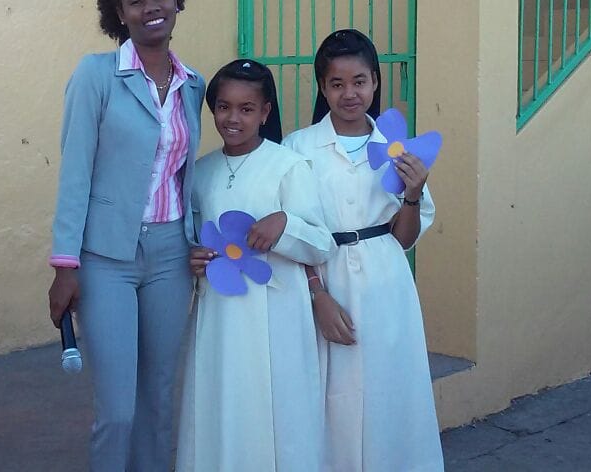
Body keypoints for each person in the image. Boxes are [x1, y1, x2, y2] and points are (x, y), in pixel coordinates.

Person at [46, 0, 205, 471]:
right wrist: (65, 264)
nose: (150, 8)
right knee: (117, 410)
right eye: (136, 1)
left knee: (158, 400)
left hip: (170, 255)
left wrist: (197, 237)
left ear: (177, 1)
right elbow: (76, 172)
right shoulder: (96, 75)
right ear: (119, 13)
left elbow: (183, 174)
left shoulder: (193, 84)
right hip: (106, 258)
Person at [284, 29, 444, 471]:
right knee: (328, 394)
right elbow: (291, 230)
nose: (349, 93)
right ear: (322, 87)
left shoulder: (398, 150)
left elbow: (404, 239)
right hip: (323, 277)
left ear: (375, 81)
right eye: (336, 84)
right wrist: (317, 293)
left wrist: (413, 193)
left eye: (359, 81)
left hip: (385, 282)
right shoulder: (297, 148)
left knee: (389, 390)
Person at [177, 59, 333, 472]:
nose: (234, 118)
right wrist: (194, 257)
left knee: (278, 403)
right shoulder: (201, 171)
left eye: (246, 109)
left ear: (265, 112)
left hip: (277, 313)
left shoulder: (288, 166)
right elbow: (193, 236)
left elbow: (321, 244)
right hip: (220, 315)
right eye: (224, 107)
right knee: (223, 397)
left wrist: (284, 224)